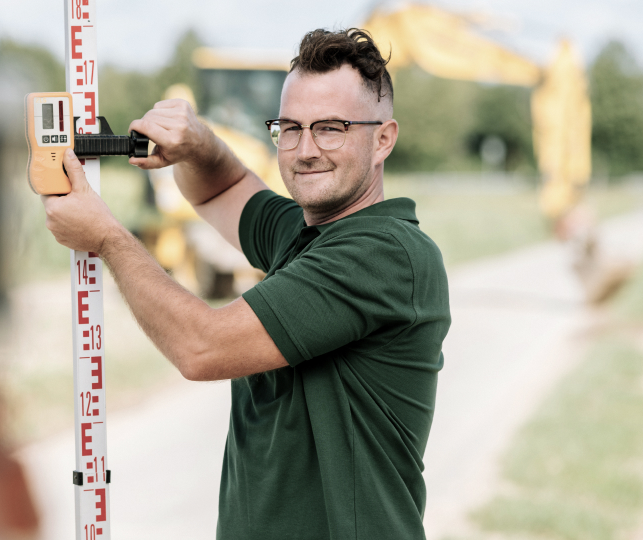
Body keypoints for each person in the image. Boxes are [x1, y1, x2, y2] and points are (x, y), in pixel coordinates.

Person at [42, 28, 451, 540]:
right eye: (290, 128)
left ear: (383, 139)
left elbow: (201, 347)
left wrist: (107, 237)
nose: (304, 150)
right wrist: (200, 143)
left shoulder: (384, 254)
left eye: (330, 129)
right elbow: (226, 187)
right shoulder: (307, 236)